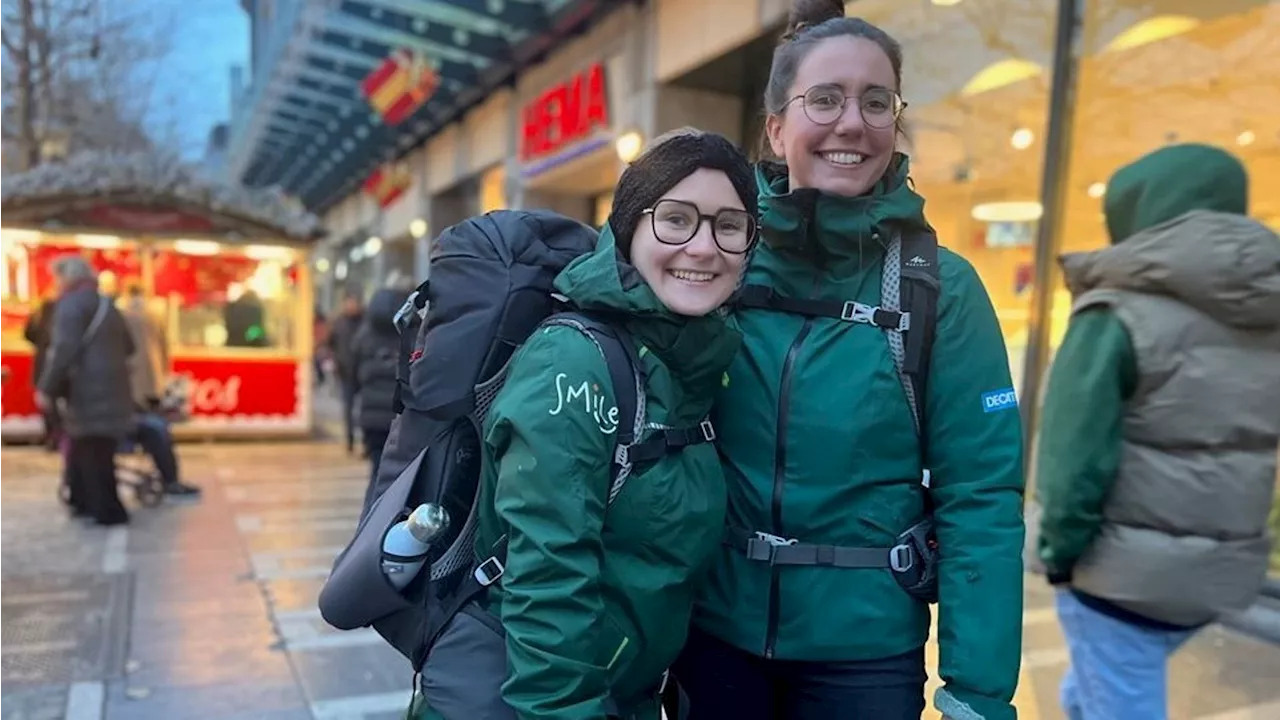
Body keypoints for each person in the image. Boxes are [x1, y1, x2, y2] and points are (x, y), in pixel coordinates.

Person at [673, 3, 1026, 720]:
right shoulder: (717, 260)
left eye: (877, 102)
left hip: (863, 658)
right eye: (825, 98)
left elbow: (982, 498)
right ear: (776, 128)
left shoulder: (938, 286)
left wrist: (979, 696)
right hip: (714, 637)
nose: (852, 123)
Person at [418, 129, 758, 720]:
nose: (704, 247)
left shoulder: (688, 362)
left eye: (728, 225)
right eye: (675, 220)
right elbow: (548, 578)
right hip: (539, 702)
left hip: (619, 697)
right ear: (628, 230)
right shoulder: (573, 364)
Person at [1034, 144, 1280, 719]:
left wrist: (1057, 553)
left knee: (1117, 693)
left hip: (1120, 581)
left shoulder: (1114, 316)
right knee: (1092, 688)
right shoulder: (1268, 318)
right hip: (1220, 578)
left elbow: (1073, 460)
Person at [36, 255, 136, 526]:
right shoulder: (109, 305)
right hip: (115, 390)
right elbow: (130, 347)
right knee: (94, 449)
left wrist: (46, 387)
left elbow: (62, 350)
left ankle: (106, 509)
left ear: (65, 278)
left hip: (85, 391)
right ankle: (83, 501)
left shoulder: (69, 306)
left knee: (90, 450)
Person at [350, 285, 403, 509]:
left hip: (370, 419)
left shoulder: (364, 336)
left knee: (376, 471)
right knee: (394, 474)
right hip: (396, 417)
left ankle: (368, 519)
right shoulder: (407, 335)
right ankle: (381, 518)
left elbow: (351, 372)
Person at [23, 292, 61, 449]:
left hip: (41, 364)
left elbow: (28, 334)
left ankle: (51, 436)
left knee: (46, 404)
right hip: (57, 365)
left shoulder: (39, 317)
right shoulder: (60, 319)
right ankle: (59, 436)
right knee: (57, 404)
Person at [328, 294, 364, 453]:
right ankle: (350, 440)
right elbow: (331, 343)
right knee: (348, 408)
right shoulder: (339, 323)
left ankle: (364, 441)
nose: (351, 306)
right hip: (345, 372)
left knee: (363, 408)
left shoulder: (365, 322)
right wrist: (336, 360)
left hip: (363, 373)